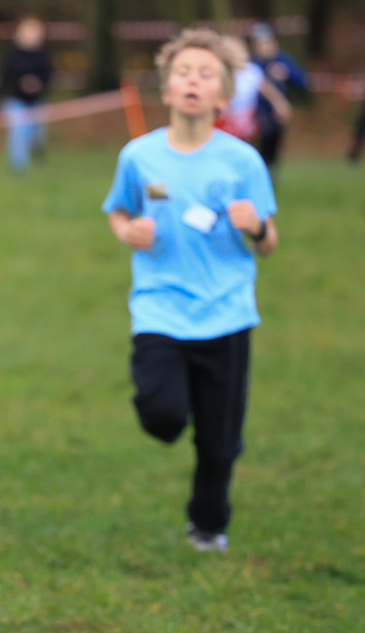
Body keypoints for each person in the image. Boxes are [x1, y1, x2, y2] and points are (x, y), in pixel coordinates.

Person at [102, 28, 279, 552]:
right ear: (168, 87)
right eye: (184, 72)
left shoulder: (243, 161)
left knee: (220, 444)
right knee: (164, 416)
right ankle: (162, 413)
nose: (193, 81)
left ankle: (207, 525)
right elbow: (118, 208)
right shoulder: (139, 156)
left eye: (206, 74)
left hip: (227, 314)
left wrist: (257, 227)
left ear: (224, 94)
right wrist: (126, 231)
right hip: (160, 309)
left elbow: (269, 244)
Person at [0, 13, 54, 173]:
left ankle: (37, 158)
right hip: (15, 100)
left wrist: (38, 84)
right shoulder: (11, 54)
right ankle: (18, 168)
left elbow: (48, 75)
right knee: (19, 132)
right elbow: (3, 77)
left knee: (36, 135)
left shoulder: (43, 54)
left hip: (36, 101)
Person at [249, 21, 307, 173]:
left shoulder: (283, 59)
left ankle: (271, 174)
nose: (264, 46)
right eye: (260, 43)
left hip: (277, 115)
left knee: (273, 149)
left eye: (267, 42)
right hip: (256, 114)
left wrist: (286, 74)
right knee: (257, 148)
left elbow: (302, 81)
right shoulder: (252, 62)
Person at [216, 35, 291, 143]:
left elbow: (268, 90)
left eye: (237, 50)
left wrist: (280, 105)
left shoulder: (251, 71)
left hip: (245, 121)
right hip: (222, 121)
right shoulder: (218, 71)